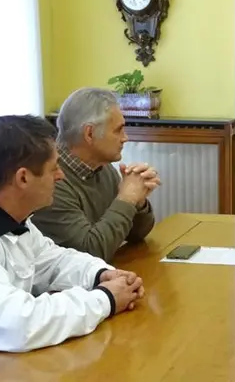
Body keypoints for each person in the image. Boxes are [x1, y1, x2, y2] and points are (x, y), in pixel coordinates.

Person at [0, 115, 145, 365]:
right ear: (23, 178)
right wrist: (104, 299)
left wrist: (101, 275)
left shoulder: (5, 215)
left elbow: (51, 260)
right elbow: (17, 323)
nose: (61, 176)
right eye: (54, 168)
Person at [31, 88, 160, 262]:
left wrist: (138, 200)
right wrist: (127, 198)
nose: (125, 138)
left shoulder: (103, 168)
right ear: (89, 133)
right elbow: (89, 252)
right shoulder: (51, 180)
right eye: (118, 130)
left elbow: (136, 234)